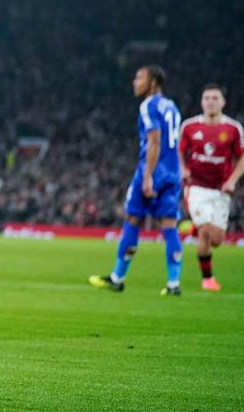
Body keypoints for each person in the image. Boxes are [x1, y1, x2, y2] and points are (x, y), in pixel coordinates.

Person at [90, 65, 184, 295]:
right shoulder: (171, 106)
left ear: (153, 83)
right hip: (173, 172)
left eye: (140, 78)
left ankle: (117, 278)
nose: (135, 82)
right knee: (169, 226)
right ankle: (173, 284)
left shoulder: (148, 105)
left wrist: (148, 176)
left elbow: (155, 140)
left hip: (152, 170)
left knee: (133, 219)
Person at [178, 84, 244, 292]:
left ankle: (197, 225)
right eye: (206, 98)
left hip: (221, 190)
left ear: (223, 102)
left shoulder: (233, 128)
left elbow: (242, 157)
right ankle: (207, 278)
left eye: (215, 98)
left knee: (216, 240)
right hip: (196, 186)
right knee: (206, 232)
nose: (210, 102)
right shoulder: (189, 126)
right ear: (201, 102)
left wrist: (232, 180)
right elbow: (179, 151)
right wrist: (182, 169)